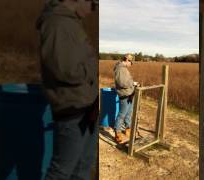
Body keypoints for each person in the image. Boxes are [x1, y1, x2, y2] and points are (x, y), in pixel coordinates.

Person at [36, 0, 99, 179]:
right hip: (72, 109)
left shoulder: (70, 22)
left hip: (86, 106)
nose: (93, 10)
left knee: (82, 167)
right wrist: (95, 69)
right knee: (61, 171)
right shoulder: (56, 23)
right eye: (93, 5)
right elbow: (63, 69)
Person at [114, 54, 139, 144]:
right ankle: (117, 132)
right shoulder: (120, 69)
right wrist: (133, 84)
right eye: (131, 63)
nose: (131, 65)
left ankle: (128, 129)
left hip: (130, 93)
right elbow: (121, 83)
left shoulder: (124, 69)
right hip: (124, 94)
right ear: (127, 60)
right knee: (122, 114)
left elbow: (126, 81)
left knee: (129, 112)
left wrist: (133, 84)